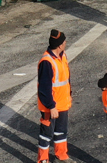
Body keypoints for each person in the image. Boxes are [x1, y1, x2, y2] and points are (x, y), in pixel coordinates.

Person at [37, 30, 72, 163]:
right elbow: (44, 88)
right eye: (64, 42)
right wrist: (51, 106)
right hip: (51, 106)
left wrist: (69, 94)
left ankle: (61, 155)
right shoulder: (47, 62)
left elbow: (66, 78)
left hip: (62, 103)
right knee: (46, 134)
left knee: (61, 132)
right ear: (59, 45)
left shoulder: (62, 56)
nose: (65, 43)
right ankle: (43, 159)